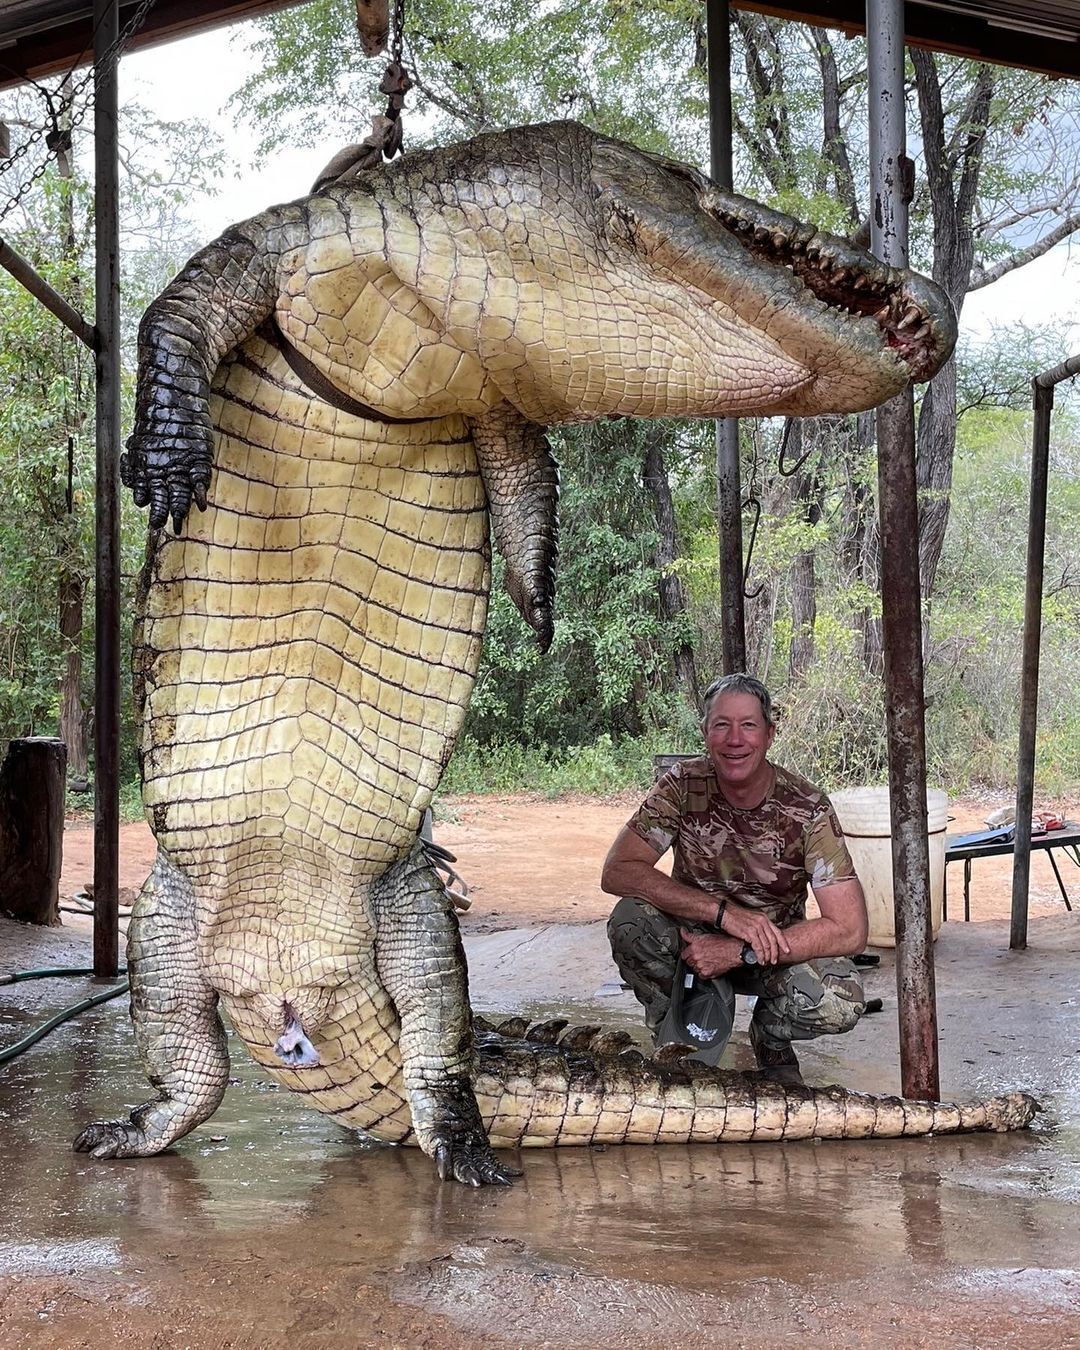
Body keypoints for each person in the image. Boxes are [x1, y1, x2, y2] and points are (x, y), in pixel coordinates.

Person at [601, 673, 868, 1085]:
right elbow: (617, 870)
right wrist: (722, 914)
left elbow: (850, 930)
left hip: (769, 949)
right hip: (689, 944)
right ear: (705, 732)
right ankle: (674, 1032)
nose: (734, 739)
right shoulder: (681, 786)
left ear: (770, 734)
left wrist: (740, 950)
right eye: (721, 724)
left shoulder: (807, 807)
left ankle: (771, 1036)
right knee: (630, 921)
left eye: (748, 725)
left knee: (841, 999)